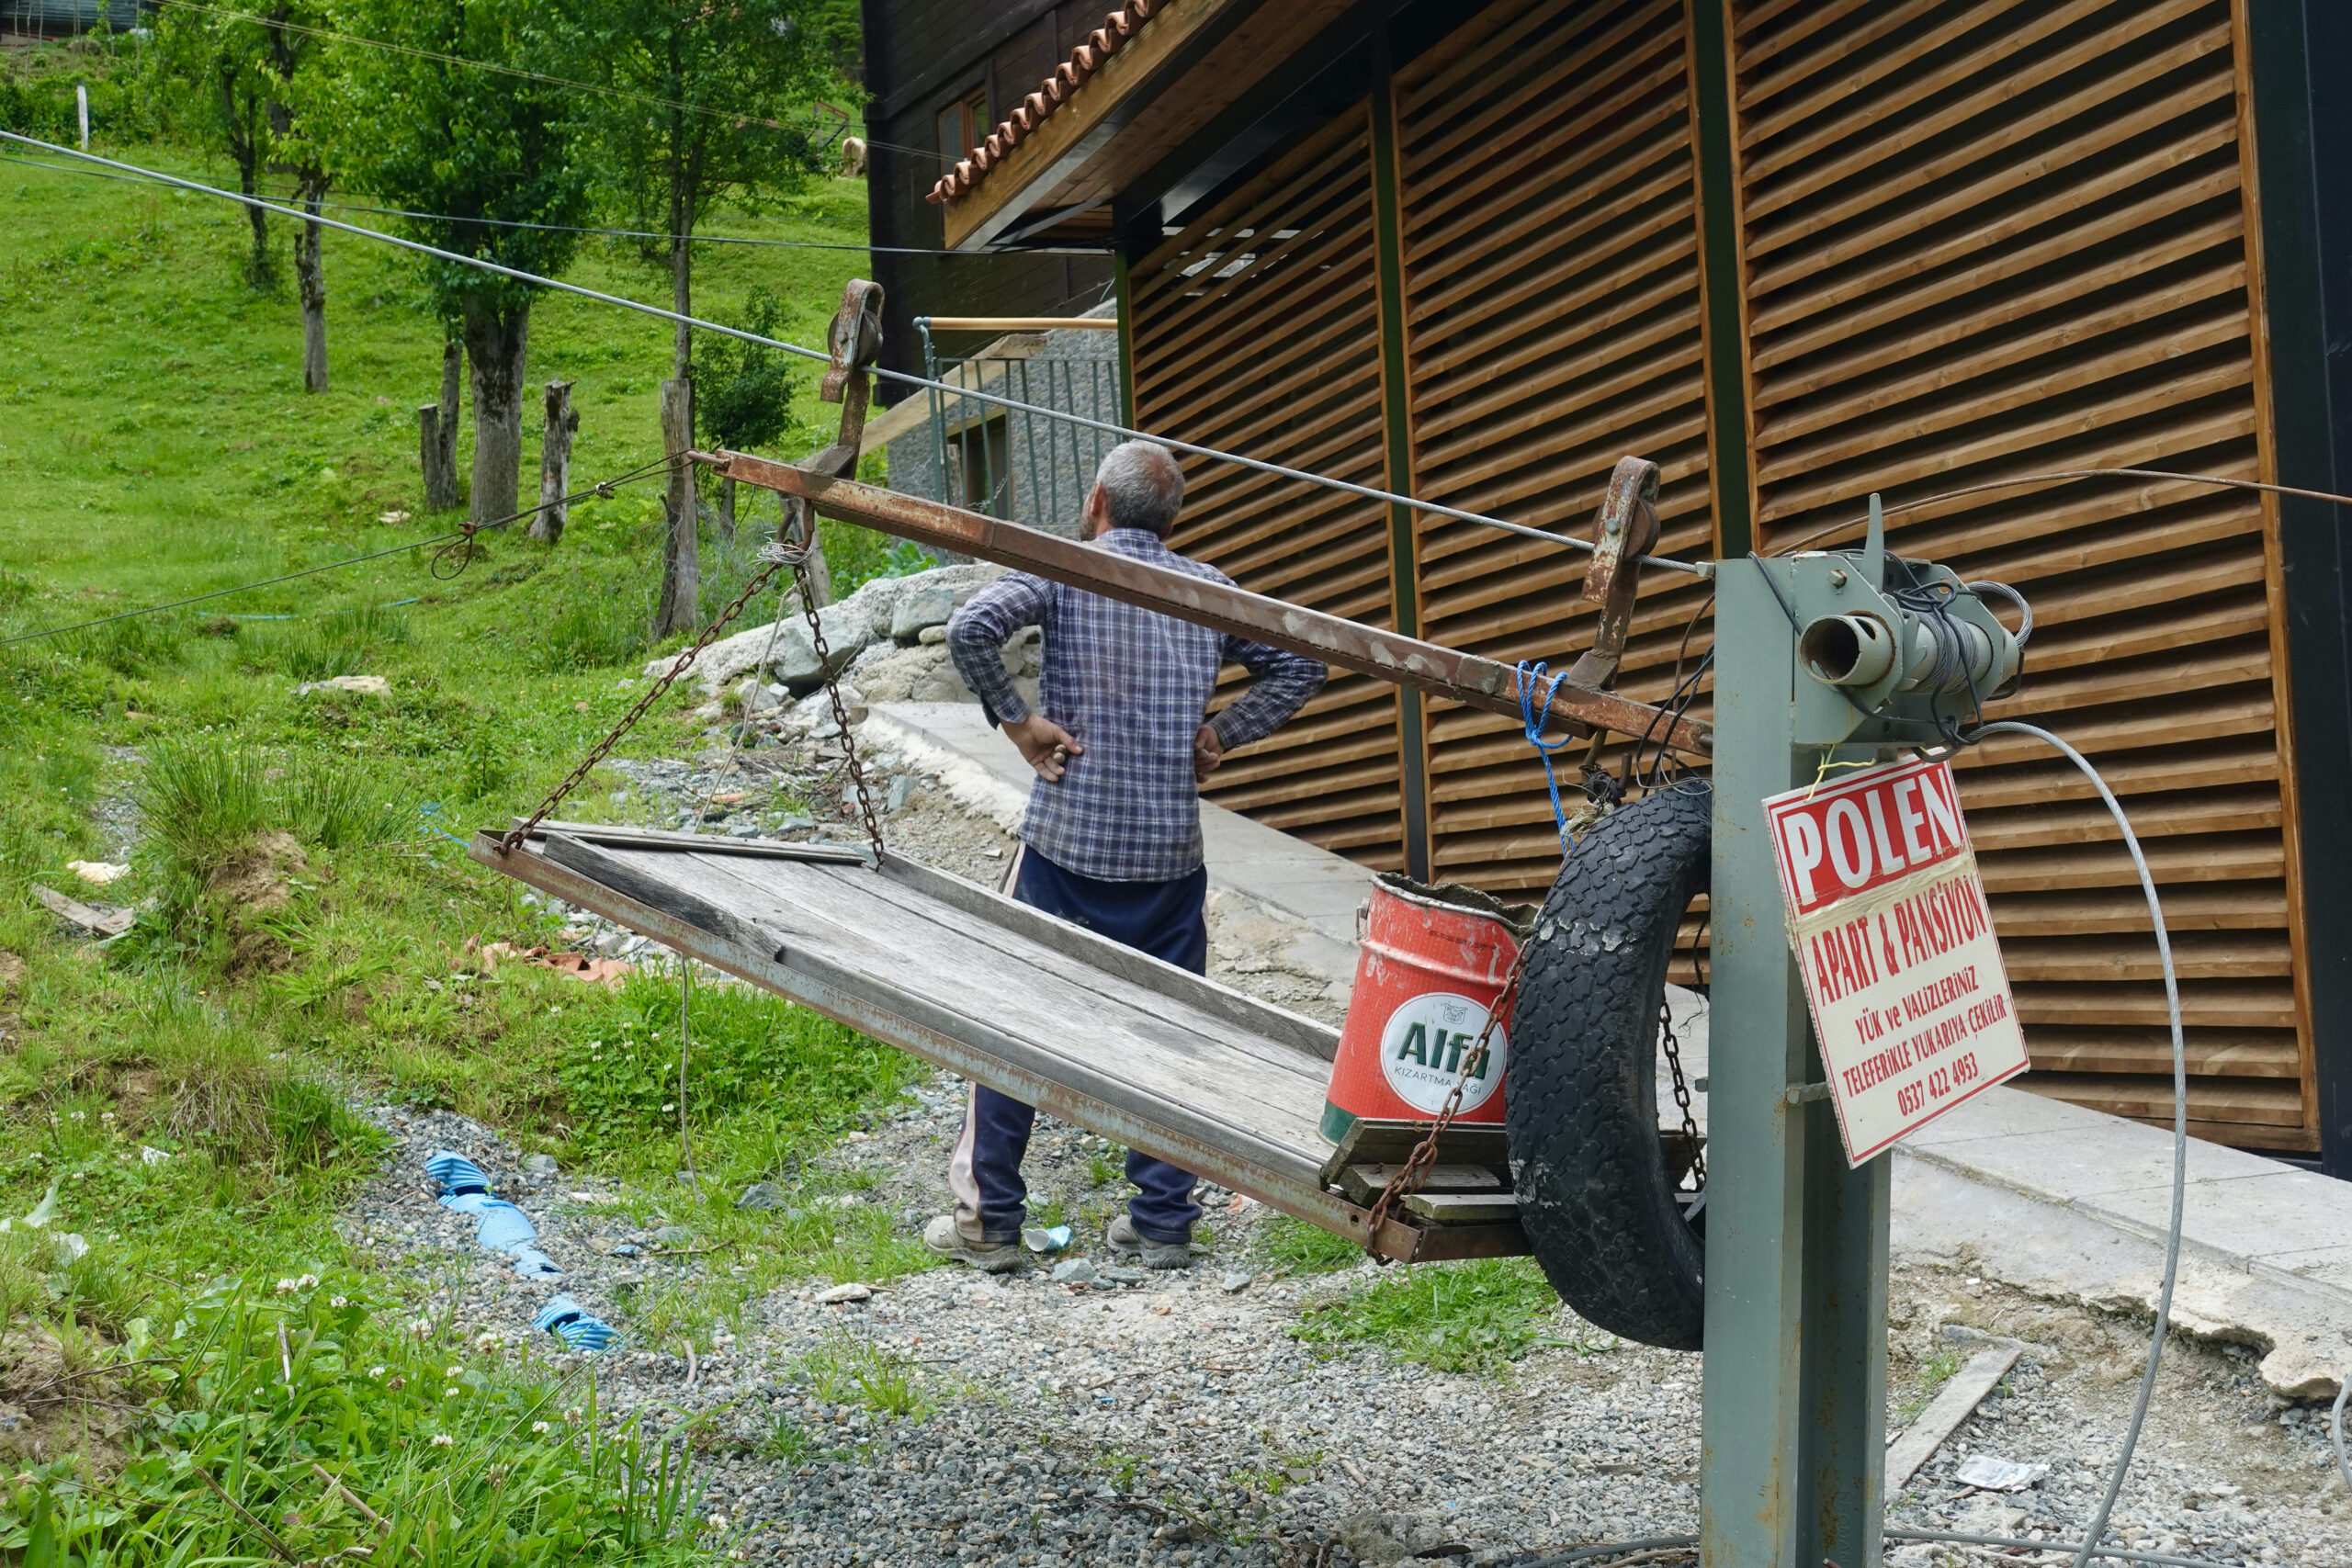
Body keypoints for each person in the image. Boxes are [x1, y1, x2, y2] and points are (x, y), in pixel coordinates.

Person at [925, 440, 1327, 1272]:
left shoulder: (1065, 566)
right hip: (1169, 860)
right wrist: (1222, 732)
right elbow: (1305, 664)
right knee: (1173, 1035)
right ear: (1169, 518)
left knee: (1012, 1025)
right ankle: (1162, 1223)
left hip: (1068, 846)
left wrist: (1019, 720)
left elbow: (971, 628)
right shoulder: (1209, 589)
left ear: (1097, 499)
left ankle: (989, 1221)